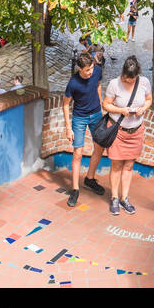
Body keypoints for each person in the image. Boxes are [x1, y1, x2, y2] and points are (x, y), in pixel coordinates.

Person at [103, 55, 150, 216]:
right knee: (116, 165)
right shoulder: (114, 84)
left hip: (136, 131)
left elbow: (149, 100)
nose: (130, 82)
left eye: (133, 79)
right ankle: (115, 197)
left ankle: (125, 197)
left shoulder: (144, 82)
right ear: (123, 73)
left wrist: (143, 108)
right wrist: (121, 111)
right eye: (128, 79)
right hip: (119, 131)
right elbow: (106, 104)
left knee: (129, 165)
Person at [63, 50, 108, 207]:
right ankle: (75, 189)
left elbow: (99, 84)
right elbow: (65, 104)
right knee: (78, 153)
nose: (90, 72)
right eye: (87, 70)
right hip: (79, 118)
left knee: (99, 147)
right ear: (80, 69)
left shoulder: (97, 71)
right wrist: (68, 128)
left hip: (96, 114)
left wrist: (101, 103)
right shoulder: (73, 83)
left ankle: (89, 178)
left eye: (91, 68)